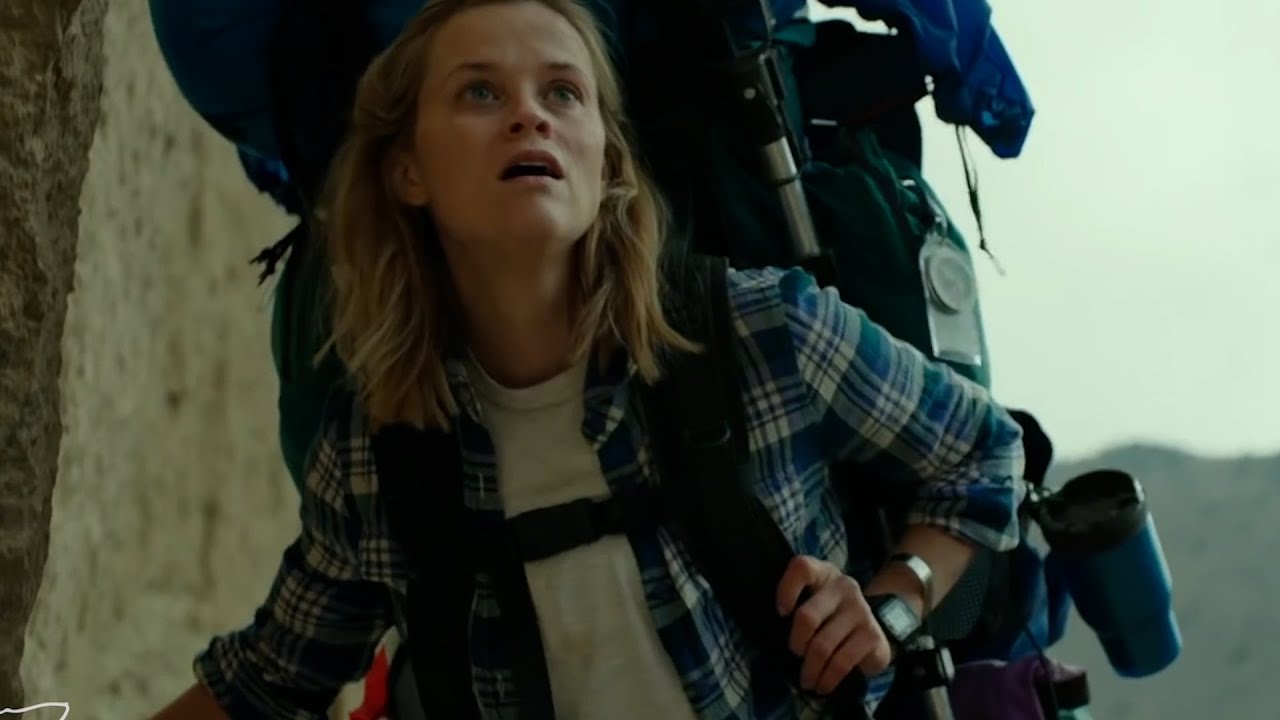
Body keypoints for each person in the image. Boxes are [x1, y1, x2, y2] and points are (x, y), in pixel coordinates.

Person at [150, 0, 1025, 717]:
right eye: (479, 92)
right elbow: (265, 685)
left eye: (564, 93)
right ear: (407, 169)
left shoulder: (764, 332)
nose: (528, 114)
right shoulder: (377, 457)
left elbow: (984, 453)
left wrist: (893, 602)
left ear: (609, 163)